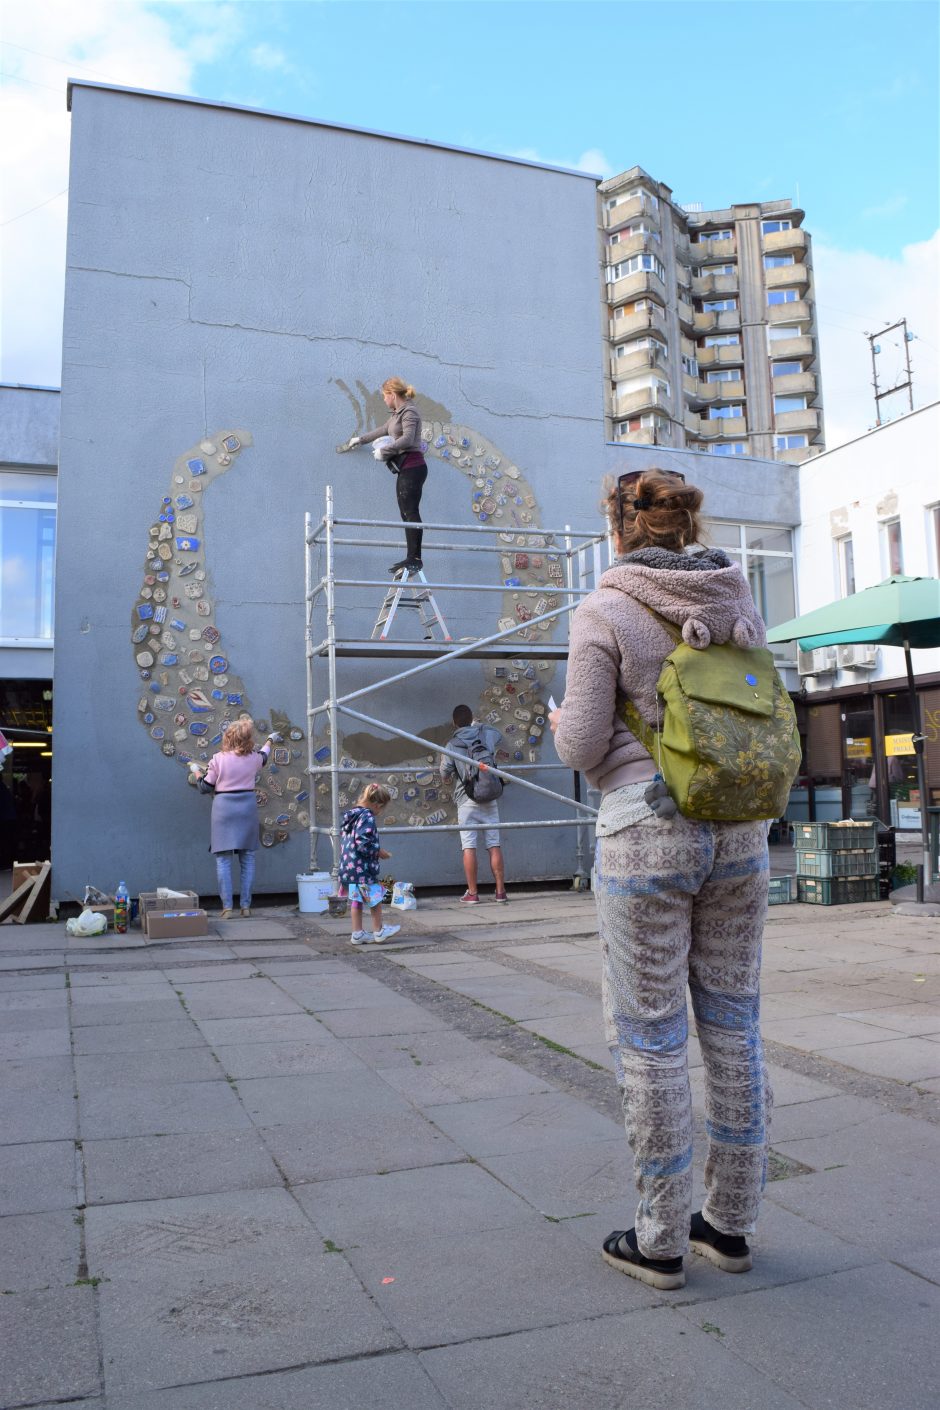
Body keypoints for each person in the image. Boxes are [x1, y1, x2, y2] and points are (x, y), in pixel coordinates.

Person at [550, 468, 772, 1291]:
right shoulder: (735, 598)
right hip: (741, 826)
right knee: (735, 1023)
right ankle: (732, 1224)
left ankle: (660, 1237)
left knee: (650, 1034)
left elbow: (579, 746)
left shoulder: (606, 608)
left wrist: (561, 725)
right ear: (687, 524)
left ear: (620, 525)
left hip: (646, 830)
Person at [192, 718, 281, 918]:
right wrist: (270, 739)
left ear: (228, 738)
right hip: (247, 808)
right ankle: (246, 906)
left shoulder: (218, 759)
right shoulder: (253, 759)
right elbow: (264, 756)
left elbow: (205, 787)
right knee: (248, 858)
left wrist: (196, 772)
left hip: (224, 809)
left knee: (223, 860)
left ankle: (227, 907)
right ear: (248, 739)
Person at [347, 377, 428, 574]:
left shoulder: (409, 412)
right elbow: (383, 430)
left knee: (410, 511)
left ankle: (415, 558)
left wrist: (385, 451)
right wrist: (360, 440)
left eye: (384, 396)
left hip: (413, 466)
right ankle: (411, 557)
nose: (384, 400)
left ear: (392, 395)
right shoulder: (396, 414)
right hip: (405, 467)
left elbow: (408, 439)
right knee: (405, 512)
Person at [440, 704, 508, 904]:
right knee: (494, 844)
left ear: (454, 722)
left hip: (466, 799)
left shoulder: (452, 744)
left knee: (469, 846)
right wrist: (480, 725)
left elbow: (445, 774)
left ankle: (472, 893)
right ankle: (500, 892)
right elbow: (499, 735)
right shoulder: (485, 734)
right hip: (490, 797)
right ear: (471, 719)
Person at [338, 782, 401, 945]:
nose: (379, 812)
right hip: (363, 869)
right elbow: (363, 843)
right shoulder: (367, 816)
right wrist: (380, 852)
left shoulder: (352, 815)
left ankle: (357, 933)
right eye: (381, 808)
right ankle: (378, 931)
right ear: (377, 804)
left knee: (356, 901)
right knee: (375, 899)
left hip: (349, 868)